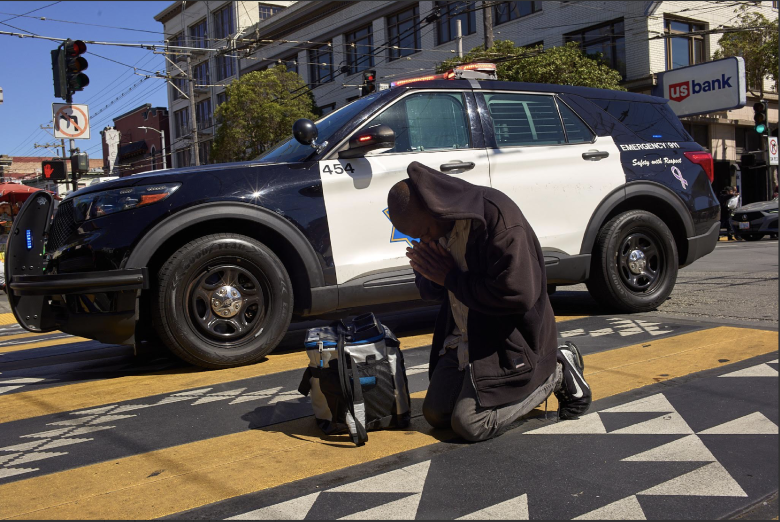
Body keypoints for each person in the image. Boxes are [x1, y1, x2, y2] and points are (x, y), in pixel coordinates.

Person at [386, 162, 592, 442]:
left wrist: (449, 277)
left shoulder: (496, 218)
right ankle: (508, 381)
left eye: (426, 231)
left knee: (470, 424)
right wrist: (431, 274)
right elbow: (433, 290)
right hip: (465, 336)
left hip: (509, 338)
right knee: (436, 415)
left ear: (437, 208)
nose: (426, 238)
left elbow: (517, 294)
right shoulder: (436, 228)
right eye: (418, 237)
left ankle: (555, 370)